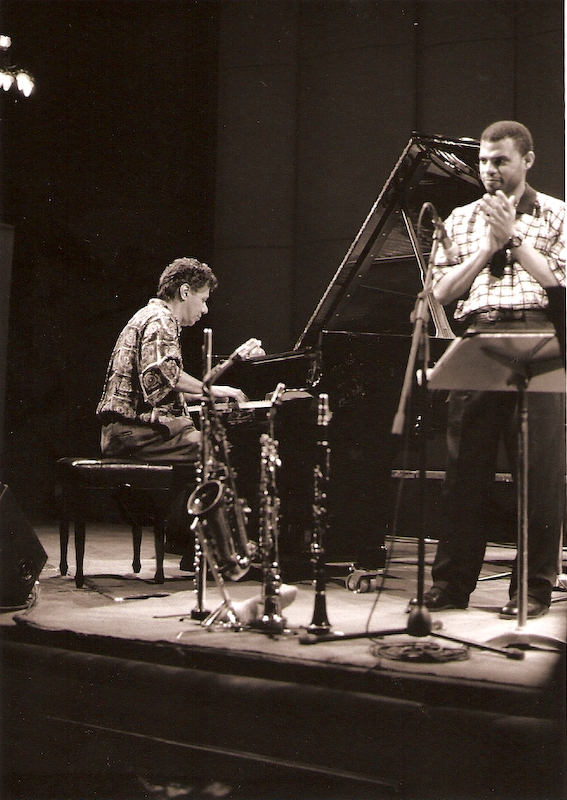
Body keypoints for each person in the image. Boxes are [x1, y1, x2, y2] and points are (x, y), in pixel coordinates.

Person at [410, 121, 565, 619]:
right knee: (464, 473)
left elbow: (560, 282)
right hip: (479, 337)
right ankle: (451, 584)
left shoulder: (557, 214)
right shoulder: (460, 218)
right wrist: (485, 248)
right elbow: (439, 291)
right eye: (482, 161)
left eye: (500, 160)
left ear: (527, 161)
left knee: (538, 474)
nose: (488, 170)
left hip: (538, 338)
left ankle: (533, 589)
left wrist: (513, 240)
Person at [97, 256, 248, 462]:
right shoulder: (162, 318)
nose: (205, 309)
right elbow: (161, 372)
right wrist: (212, 390)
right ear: (185, 292)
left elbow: (153, 389)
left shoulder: (147, 315)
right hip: (137, 434)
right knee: (224, 448)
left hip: (126, 433)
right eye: (203, 300)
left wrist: (199, 396)